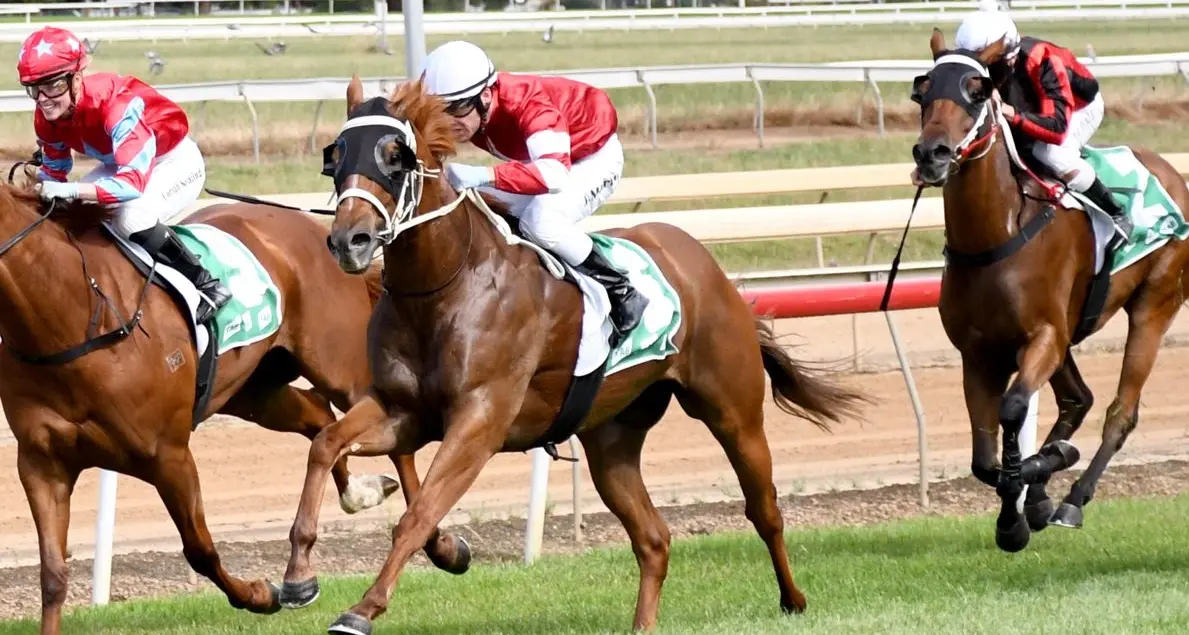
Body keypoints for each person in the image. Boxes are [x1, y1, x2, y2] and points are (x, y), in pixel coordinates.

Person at [418, 39, 649, 344]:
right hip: (545, 159)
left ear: (486, 96)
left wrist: (483, 174)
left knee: (542, 221)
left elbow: (553, 174)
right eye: (439, 111)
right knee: (476, 206)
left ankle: (622, 290)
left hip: (591, 157)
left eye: (457, 109)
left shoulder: (527, 104)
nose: (448, 122)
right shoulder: (472, 109)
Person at [17, 25, 231, 324]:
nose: (42, 99)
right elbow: (55, 172)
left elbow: (130, 185)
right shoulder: (46, 116)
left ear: (76, 78)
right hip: (120, 164)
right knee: (66, 216)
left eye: (52, 86)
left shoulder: (116, 106)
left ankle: (206, 284)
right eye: (34, 88)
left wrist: (72, 191)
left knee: (131, 217)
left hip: (172, 161)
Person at [951, 10, 1133, 238]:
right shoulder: (994, 61)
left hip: (1078, 108)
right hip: (1032, 106)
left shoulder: (1043, 61)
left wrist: (1009, 113)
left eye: (989, 65)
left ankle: (1115, 212)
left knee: (1051, 155)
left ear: (1008, 57)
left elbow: (1056, 127)